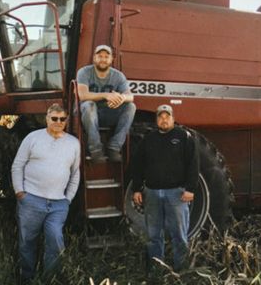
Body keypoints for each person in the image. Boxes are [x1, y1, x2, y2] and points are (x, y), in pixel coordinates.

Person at [11, 103, 80, 282]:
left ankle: (51, 278)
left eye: (62, 119)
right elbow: (17, 166)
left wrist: (68, 199)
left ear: (66, 120)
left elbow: (75, 173)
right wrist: (20, 192)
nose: (58, 122)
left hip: (58, 204)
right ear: (46, 119)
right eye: (54, 118)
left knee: (55, 240)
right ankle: (27, 278)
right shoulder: (33, 138)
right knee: (27, 241)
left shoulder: (73, 143)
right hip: (31, 200)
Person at [132, 104, 199, 274]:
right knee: (154, 235)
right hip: (152, 193)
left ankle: (181, 269)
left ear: (173, 118)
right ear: (156, 120)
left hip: (176, 193)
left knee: (179, 235)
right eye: (160, 117)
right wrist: (137, 189)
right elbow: (138, 165)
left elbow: (193, 164)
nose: (164, 119)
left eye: (167, 116)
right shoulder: (148, 139)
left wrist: (190, 189)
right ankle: (156, 269)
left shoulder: (183, 136)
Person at [77, 44, 136, 162]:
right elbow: (83, 95)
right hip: (87, 115)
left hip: (107, 113)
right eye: (100, 56)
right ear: (94, 58)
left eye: (106, 56)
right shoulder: (84, 72)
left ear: (111, 59)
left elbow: (131, 97)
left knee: (130, 106)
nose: (103, 59)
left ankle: (114, 148)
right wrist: (106, 95)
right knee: (89, 104)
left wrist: (120, 98)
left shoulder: (118, 76)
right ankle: (96, 150)